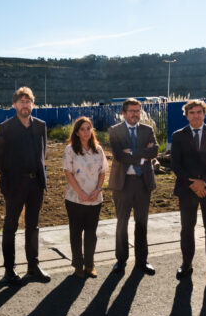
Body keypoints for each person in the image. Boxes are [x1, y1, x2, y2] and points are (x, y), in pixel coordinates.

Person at [0, 87, 51, 285]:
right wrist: (9, 178)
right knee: (10, 227)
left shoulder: (41, 125)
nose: (25, 105)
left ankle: (33, 266)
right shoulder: (6, 128)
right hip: (15, 185)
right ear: (15, 105)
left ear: (32, 104)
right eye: (21, 101)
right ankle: (9, 270)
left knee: (32, 226)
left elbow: (43, 153)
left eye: (28, 101)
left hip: (36, 183)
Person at [171, 99, 206, 285]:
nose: (195, 115)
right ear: (186, 115)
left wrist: (204, 182)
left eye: (199, 112)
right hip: (187, 190)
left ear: (204, 113)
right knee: (187, 229)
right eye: (192, 112)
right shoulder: (178, 136)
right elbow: (176, 164)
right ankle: (186, 264)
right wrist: (192, 184)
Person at [108, 98, 158, 276]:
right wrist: (143, 155)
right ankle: (121, 260)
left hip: (143, 183)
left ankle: (142, 261)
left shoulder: (147, 130)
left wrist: (133, 152)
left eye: (138, 111)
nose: (135, 114)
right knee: (122, 223)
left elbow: (155, 151)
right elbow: (119, 155)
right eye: (131, 111)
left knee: (142, 223)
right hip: (123, 184)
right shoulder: (115, 131)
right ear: (124, 113)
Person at [62, 117, 108, 278]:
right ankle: (78, 265)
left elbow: (103, 171)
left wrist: (98, 190)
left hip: (95, 199)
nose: (86, 132)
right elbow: (67, 172)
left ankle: (90, 264)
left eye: (88, 128)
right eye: (82, 129)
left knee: (91, 233)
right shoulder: (70, 150)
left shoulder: (98, 149)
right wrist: (80, 193)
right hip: (75, 198)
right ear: (76, 132)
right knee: (76, 233)